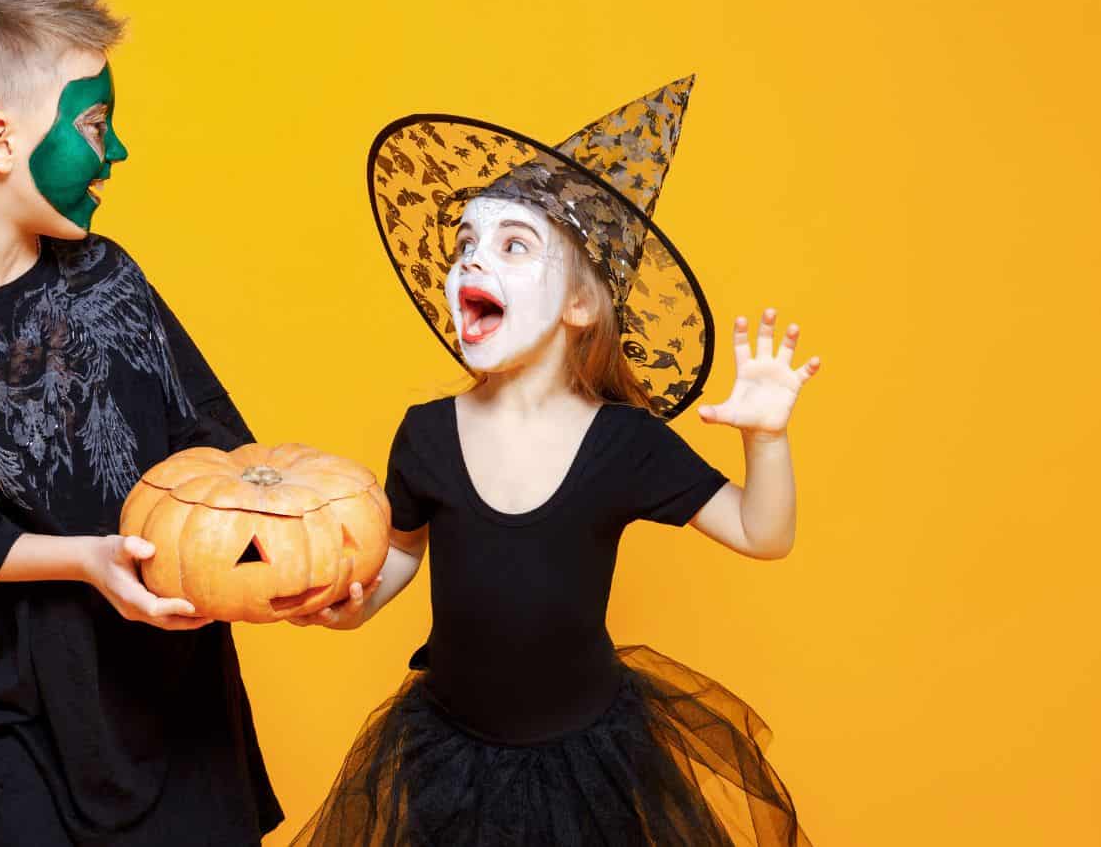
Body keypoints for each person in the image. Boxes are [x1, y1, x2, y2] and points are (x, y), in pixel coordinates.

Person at [291, 77, 819, 845]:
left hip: (586, 760)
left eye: (514, 246)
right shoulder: (427, 434)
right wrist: (358, 603)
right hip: (449, 752)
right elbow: (402, 554)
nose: (474, 261)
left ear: (580, 306)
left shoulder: (624, 443)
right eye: (467, 243)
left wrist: (766, 439)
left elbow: (762, 533)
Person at [0, 0, 281, 846]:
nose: (114, 154)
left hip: (191, 731)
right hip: (34, 749)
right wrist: (88, 561)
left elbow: (214, 447)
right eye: (94, 123)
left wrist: (300, 559)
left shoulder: (108, 277)